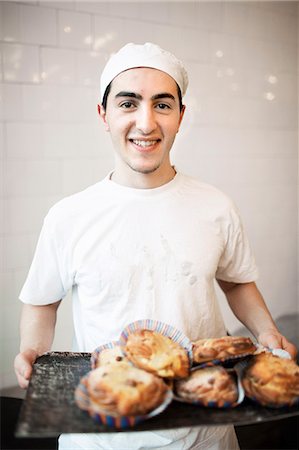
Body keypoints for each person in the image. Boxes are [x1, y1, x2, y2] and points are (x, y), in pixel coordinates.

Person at [14, 42, 296, 450]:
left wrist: (267, 332)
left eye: (162, 105)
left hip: (205, 432)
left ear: (181, 116)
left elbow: (236, 283)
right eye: (128, 104)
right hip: (101, 434)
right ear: (103, 115)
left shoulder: (215, 206)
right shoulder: (68, 216)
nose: (146, 123)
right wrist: (31, 352)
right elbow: (41, 302)